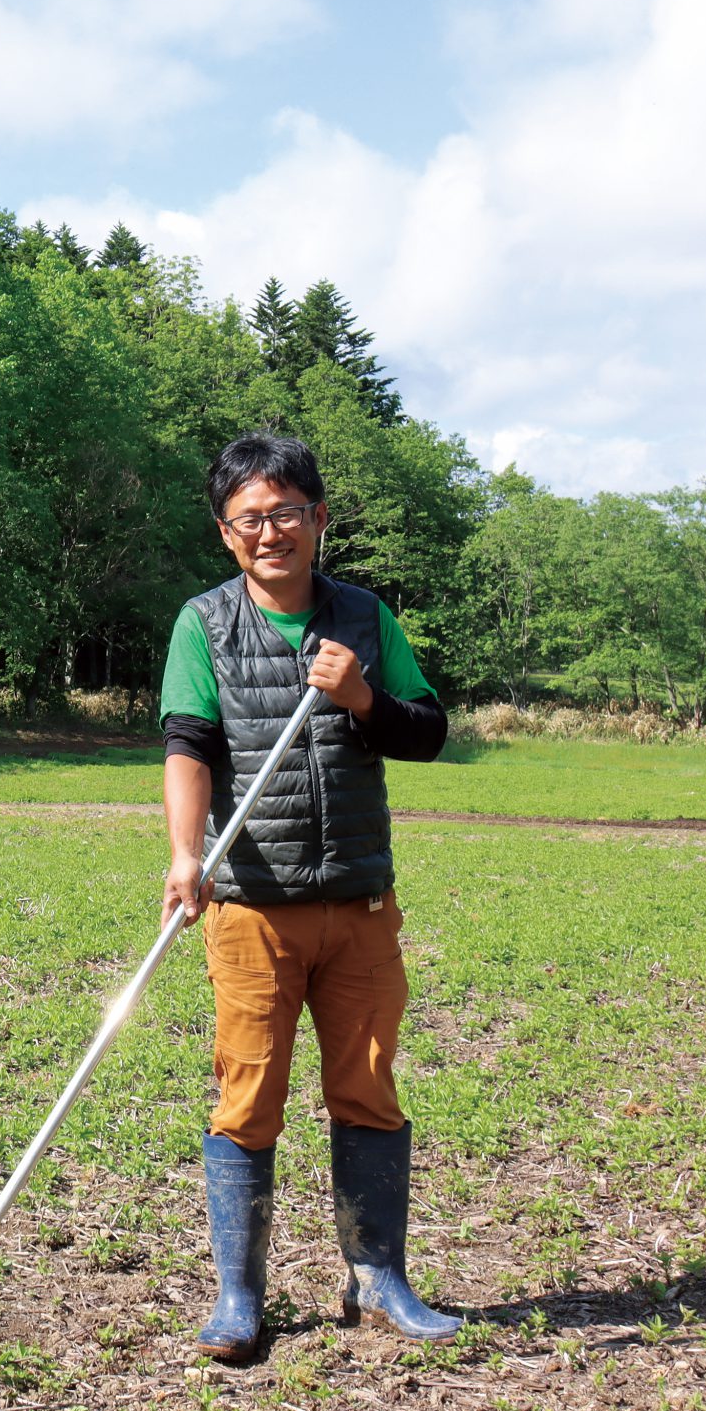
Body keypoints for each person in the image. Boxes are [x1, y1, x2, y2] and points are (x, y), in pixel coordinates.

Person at [159, 432, 458, 1363]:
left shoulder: (365, 619)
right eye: (250, 517)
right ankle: (239, 1297)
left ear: (319, 519)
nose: (271, 531)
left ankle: (378, 1280)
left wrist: (363, 695)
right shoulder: (203, 624)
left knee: (367, 1089)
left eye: (287, 511)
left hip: (361, 907)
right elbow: (187, 747)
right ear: (226, 533)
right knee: (247, 1098)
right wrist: (182, 855)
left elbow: (428, 734)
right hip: (250, 906)